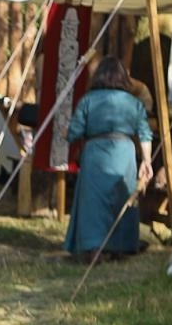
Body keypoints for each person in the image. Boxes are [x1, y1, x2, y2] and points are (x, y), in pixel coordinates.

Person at [64, 55, 153, 261]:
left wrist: (65, 132)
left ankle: (94, 248)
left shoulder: (88, 100)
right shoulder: (134, 103)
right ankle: (121, 246)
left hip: (95, 153)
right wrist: (147, 161)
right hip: (124, 153)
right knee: (121, 198)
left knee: (93, 201)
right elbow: (145, 133)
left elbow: (74, 132)